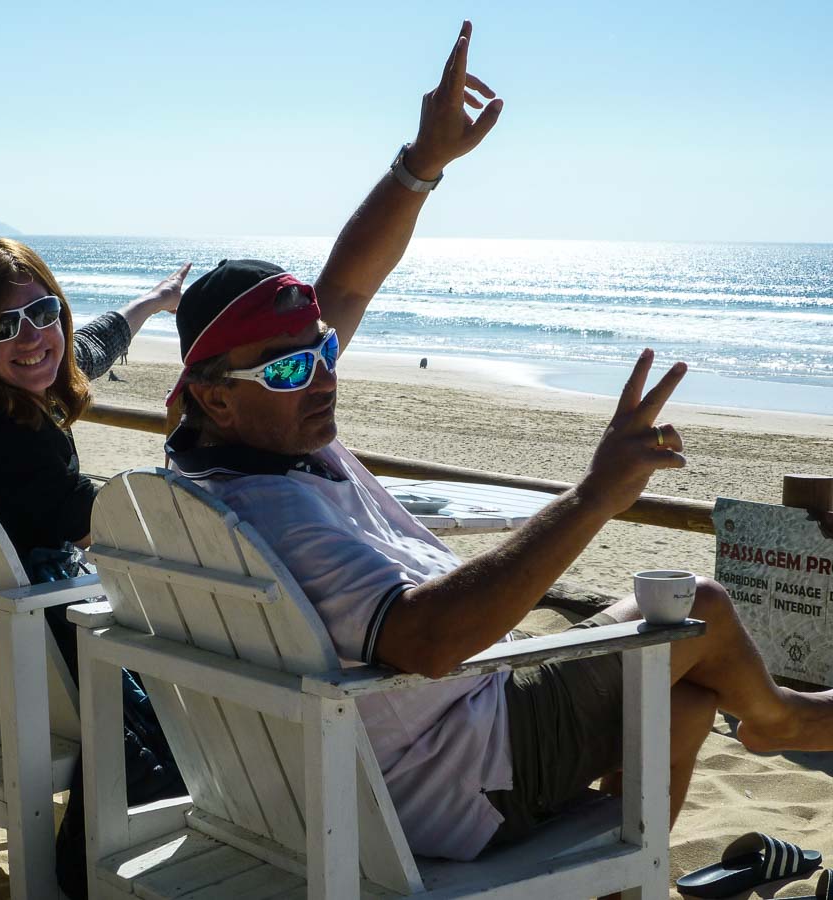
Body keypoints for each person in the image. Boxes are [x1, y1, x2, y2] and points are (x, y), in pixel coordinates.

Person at [164, 21, 833, 863]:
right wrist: (594, 496)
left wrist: (422, 162)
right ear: (215, 395)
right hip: (450, 772)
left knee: (688, 697)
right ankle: (779, 721)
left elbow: (348, 283)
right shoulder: (275, 508)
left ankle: (625, 876)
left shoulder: (219, 449)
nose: (324, 375)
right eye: (292, 367)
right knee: (695, 605)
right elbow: (431, 641)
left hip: (359, 757)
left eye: (323, 350)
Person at [0, 237, 188, 897]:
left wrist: (152, 303)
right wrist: (190, 448)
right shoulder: (3, 439)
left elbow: (86, 347)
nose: (31, 337)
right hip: (40, 661)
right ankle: (83, 872)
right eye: (2, 327)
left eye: (43, 312)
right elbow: (109, 521)